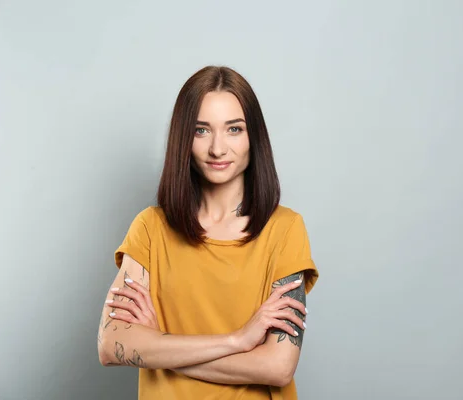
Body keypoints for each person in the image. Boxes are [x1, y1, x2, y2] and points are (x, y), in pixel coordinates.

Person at [96, 65, 319, 400]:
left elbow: (277, 367)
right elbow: (112, 345)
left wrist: (159, 344)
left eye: (234, 129)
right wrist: (238, 341)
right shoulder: (150, 229)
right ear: (183, 138)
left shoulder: (285, 230)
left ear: (253, 137)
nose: (218, 148)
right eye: (201, 130)